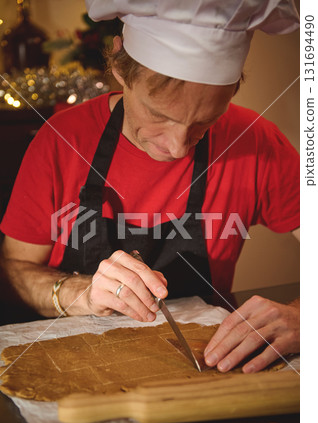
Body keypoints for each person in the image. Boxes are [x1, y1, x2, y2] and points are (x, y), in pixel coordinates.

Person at [0, 0, 300, 374]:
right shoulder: (60, 140)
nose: (177, 146)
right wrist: (81, 293)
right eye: (159, 115)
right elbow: (14, 270)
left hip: (199, 374)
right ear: (119, 64)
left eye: (205, 122)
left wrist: (302, 315)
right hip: (74, 368)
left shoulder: (256, 142)